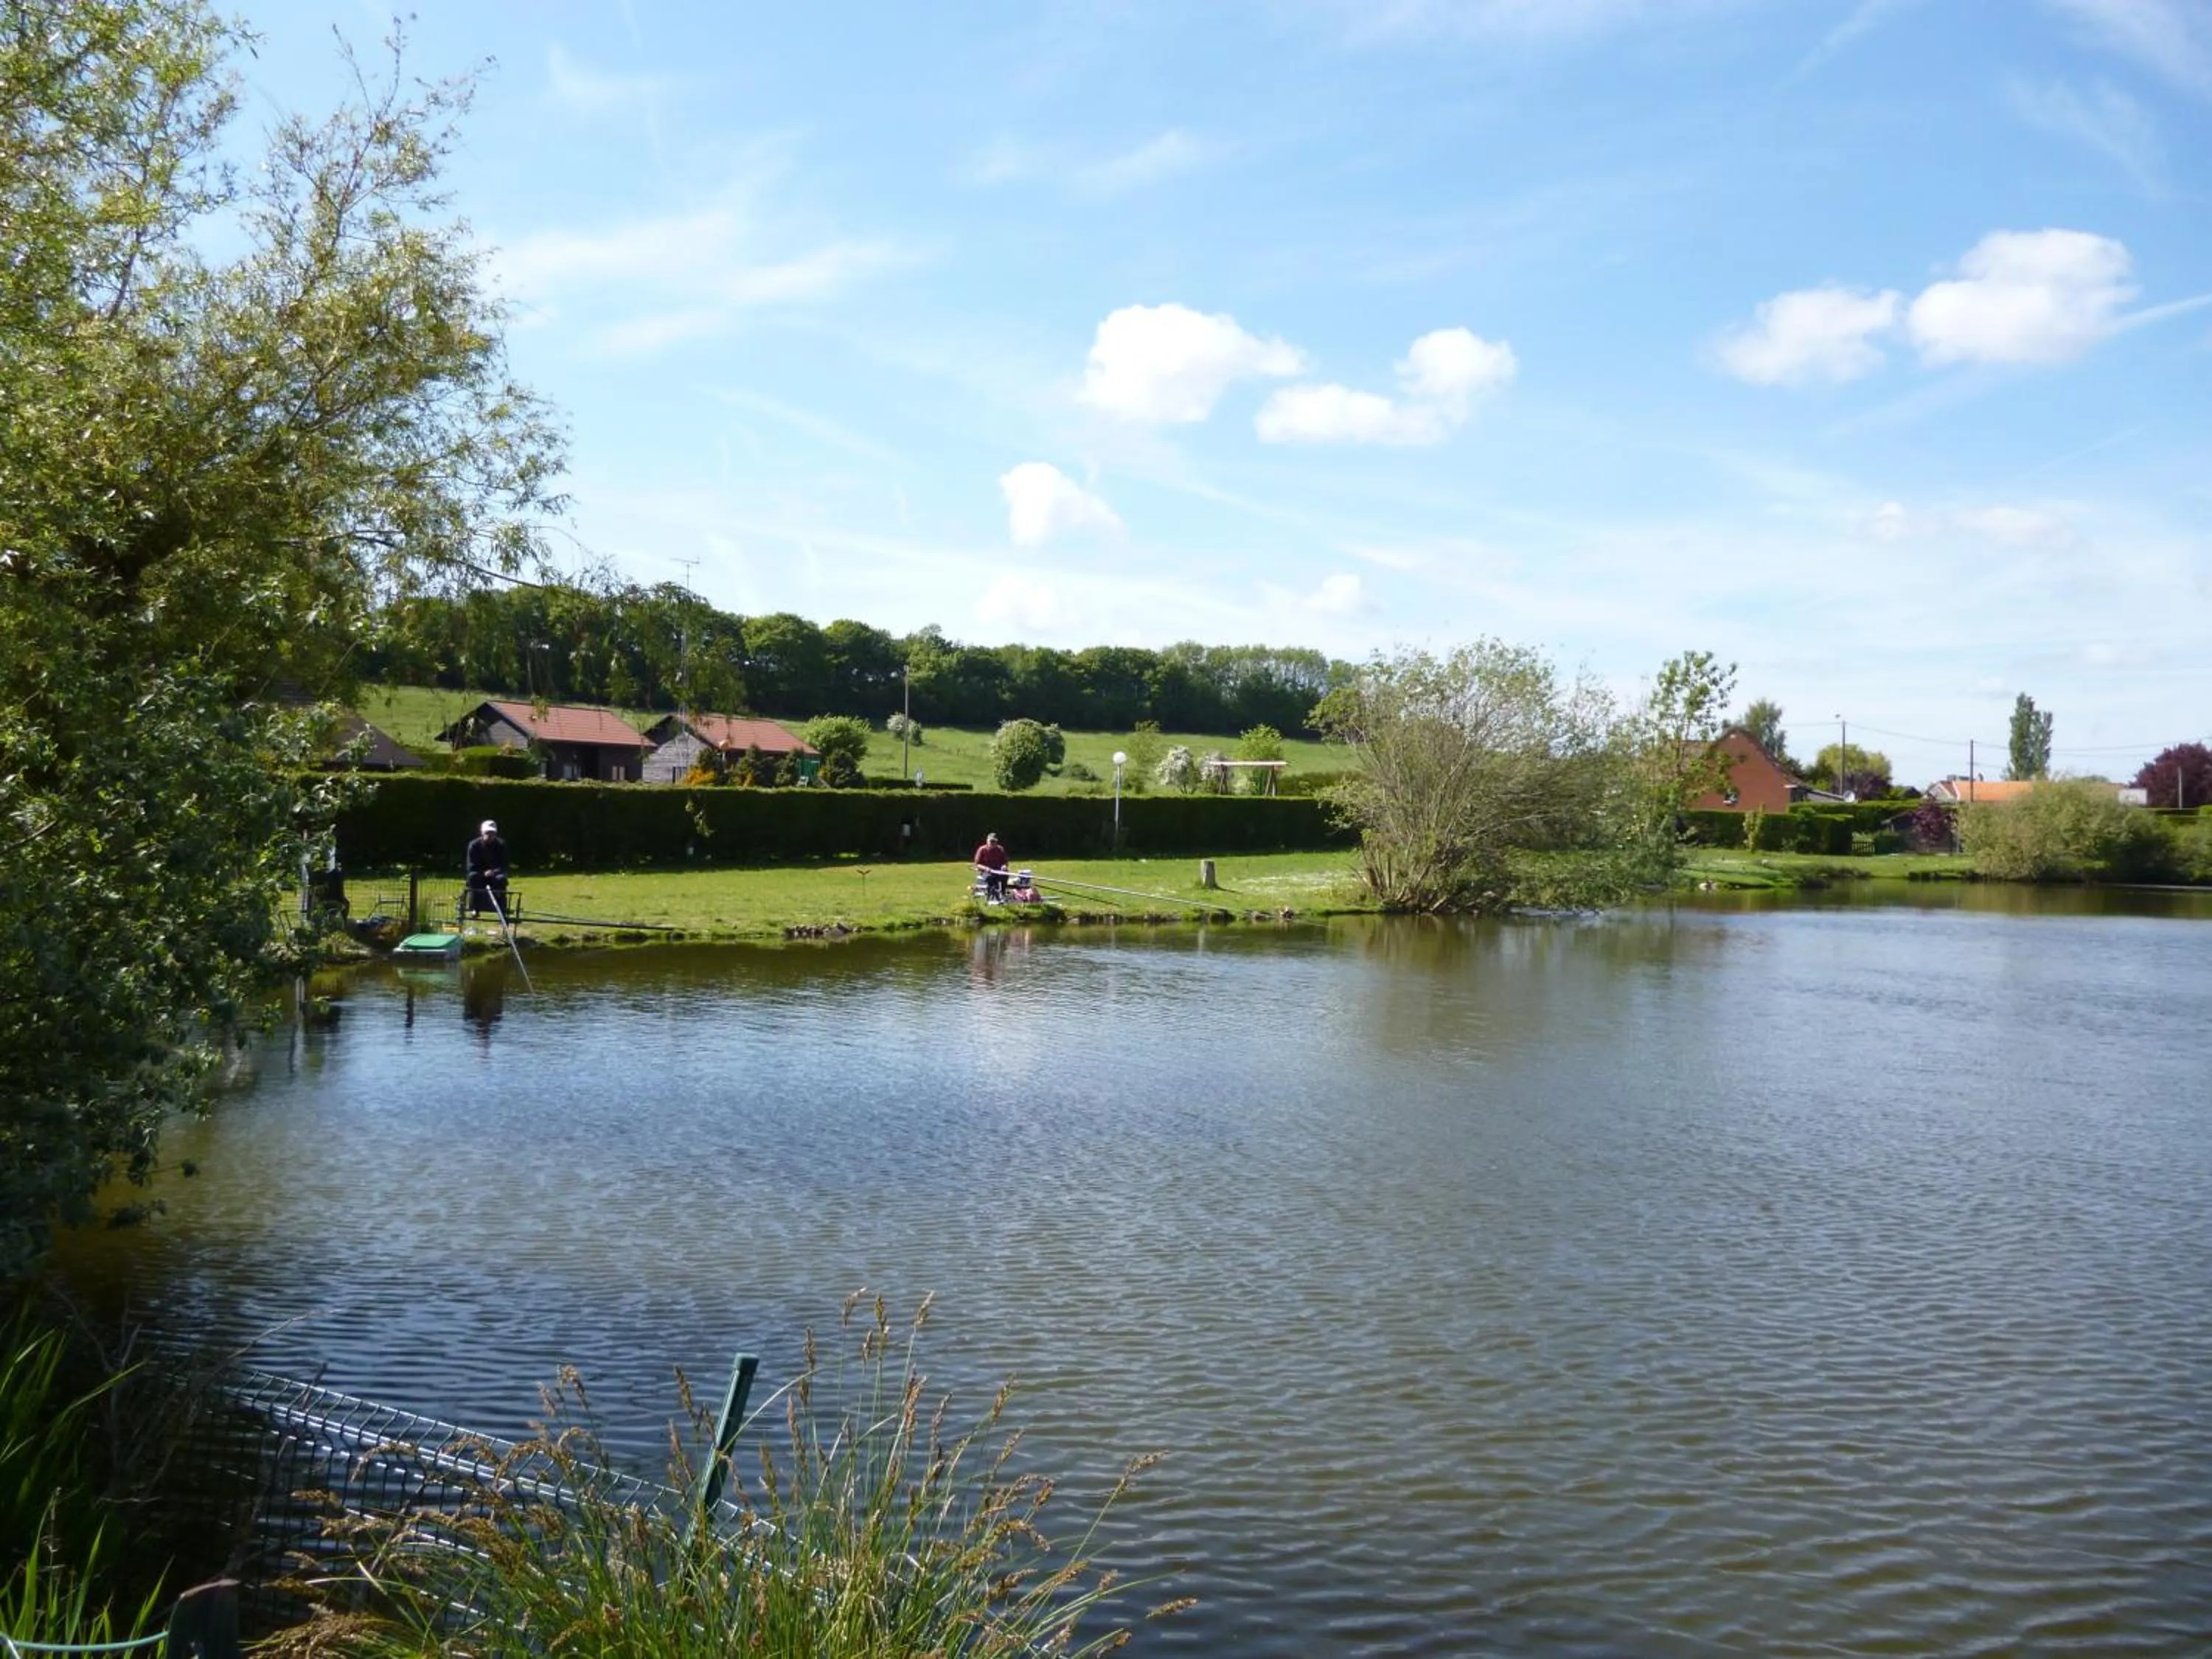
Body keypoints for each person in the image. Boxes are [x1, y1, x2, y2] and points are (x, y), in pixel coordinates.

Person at [465, 818, 509, 919]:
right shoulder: (474, 845)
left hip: (495, 874)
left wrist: (494, 872)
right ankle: (475, 909)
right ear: (482, 832)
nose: (490, 836)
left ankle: (501, 909)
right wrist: (483, 873)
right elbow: (471, 866)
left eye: (492, 833)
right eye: (487, 833)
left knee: (501, 879)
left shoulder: (501, 845)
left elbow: (504, 865)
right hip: (479, 874)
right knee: (472, 877)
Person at [973, 831, 1009, 900]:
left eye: (994, 841)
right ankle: (994, 897)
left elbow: (1005, 861)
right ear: (987, 841)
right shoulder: (982, 849)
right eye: (991, 841)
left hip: (998, 871)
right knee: (992, 879)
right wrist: (986, 868)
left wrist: (1004, 866)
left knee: (1005, 875)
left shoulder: (1000, 849)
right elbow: (977, 864)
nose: (993, 843)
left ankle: (1003, 893)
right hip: (986, 872)